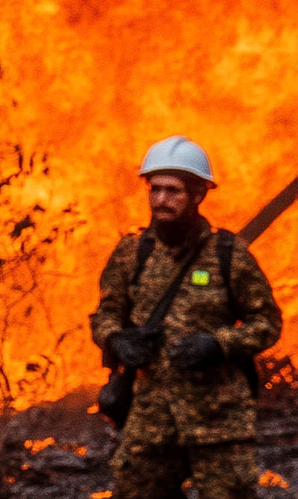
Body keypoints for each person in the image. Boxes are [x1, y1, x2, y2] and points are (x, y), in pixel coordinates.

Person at [91, 135, 281, 499]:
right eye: (155, 189)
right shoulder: (132, 253)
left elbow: (267, 324)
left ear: (198, 195)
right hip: (149, 423)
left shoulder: (230, 255)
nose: (161, 200)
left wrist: (219, 344)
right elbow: (105, 315)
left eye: (174, 191)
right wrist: (118, 340)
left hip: (219, 425)